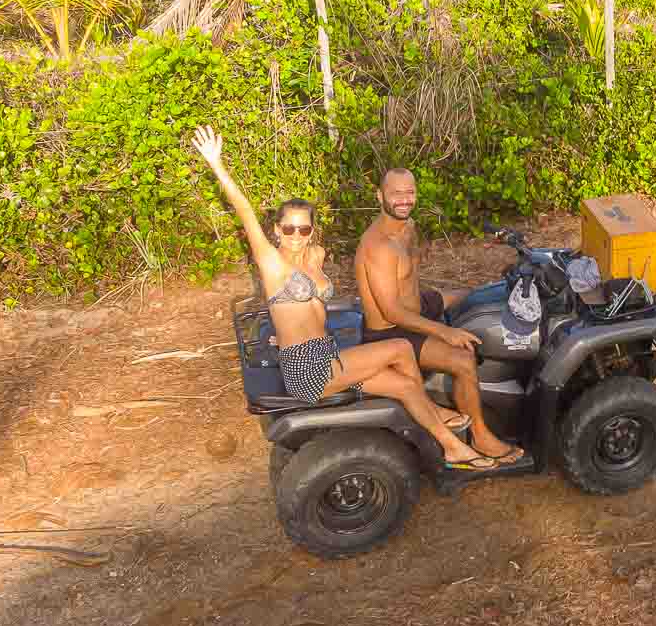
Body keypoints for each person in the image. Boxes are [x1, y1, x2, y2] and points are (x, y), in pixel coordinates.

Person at [188, 126, 492, 471]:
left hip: (328, 355)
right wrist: (217, 164)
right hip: (307, 369)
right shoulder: (273, 265)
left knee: (406, 387)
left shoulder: (315, 256)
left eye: (304, 229)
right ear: (276, 230)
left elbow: (311, 307)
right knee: (401, 349)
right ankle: (435, 413)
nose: (296, 237)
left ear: (312, 231)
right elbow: (243, 211)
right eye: (288, 229)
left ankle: (450, 447)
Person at [355, 166, 529, 467]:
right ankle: (481, 435)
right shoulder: (378, 246)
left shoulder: (406, 226)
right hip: (392, 330)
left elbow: (412, 266)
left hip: (417, 306)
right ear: (380, 195)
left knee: (472, 295)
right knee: (463, 359)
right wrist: (443, 331)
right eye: (396, 193)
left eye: (409, 192)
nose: (404, 200)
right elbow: (391, 311)